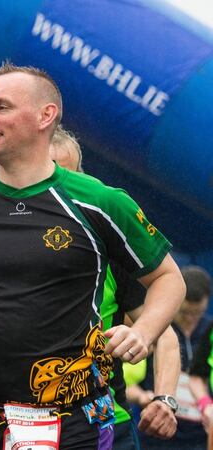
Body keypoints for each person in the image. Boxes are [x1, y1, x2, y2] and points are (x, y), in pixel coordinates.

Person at [0, 62, 185, 449]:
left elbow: (169, 279)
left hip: (80, 423)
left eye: (1, 107)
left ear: (46, 116)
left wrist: (142, 334)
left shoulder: (101, 202)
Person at [51, 126, 181, 448]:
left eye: (71, 176)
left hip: (106, 423)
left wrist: (164, 399)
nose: (62, 190)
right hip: (16, 422)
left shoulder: (109, 253)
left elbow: (165, 334)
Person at [132, 266, 210, 449]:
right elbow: (128, 381)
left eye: (196, 313)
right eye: (184, 313)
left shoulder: (209, 330)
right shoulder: (157, 329)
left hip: (201, 434)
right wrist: (142, 396)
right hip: (158, 435)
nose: (190, 318)